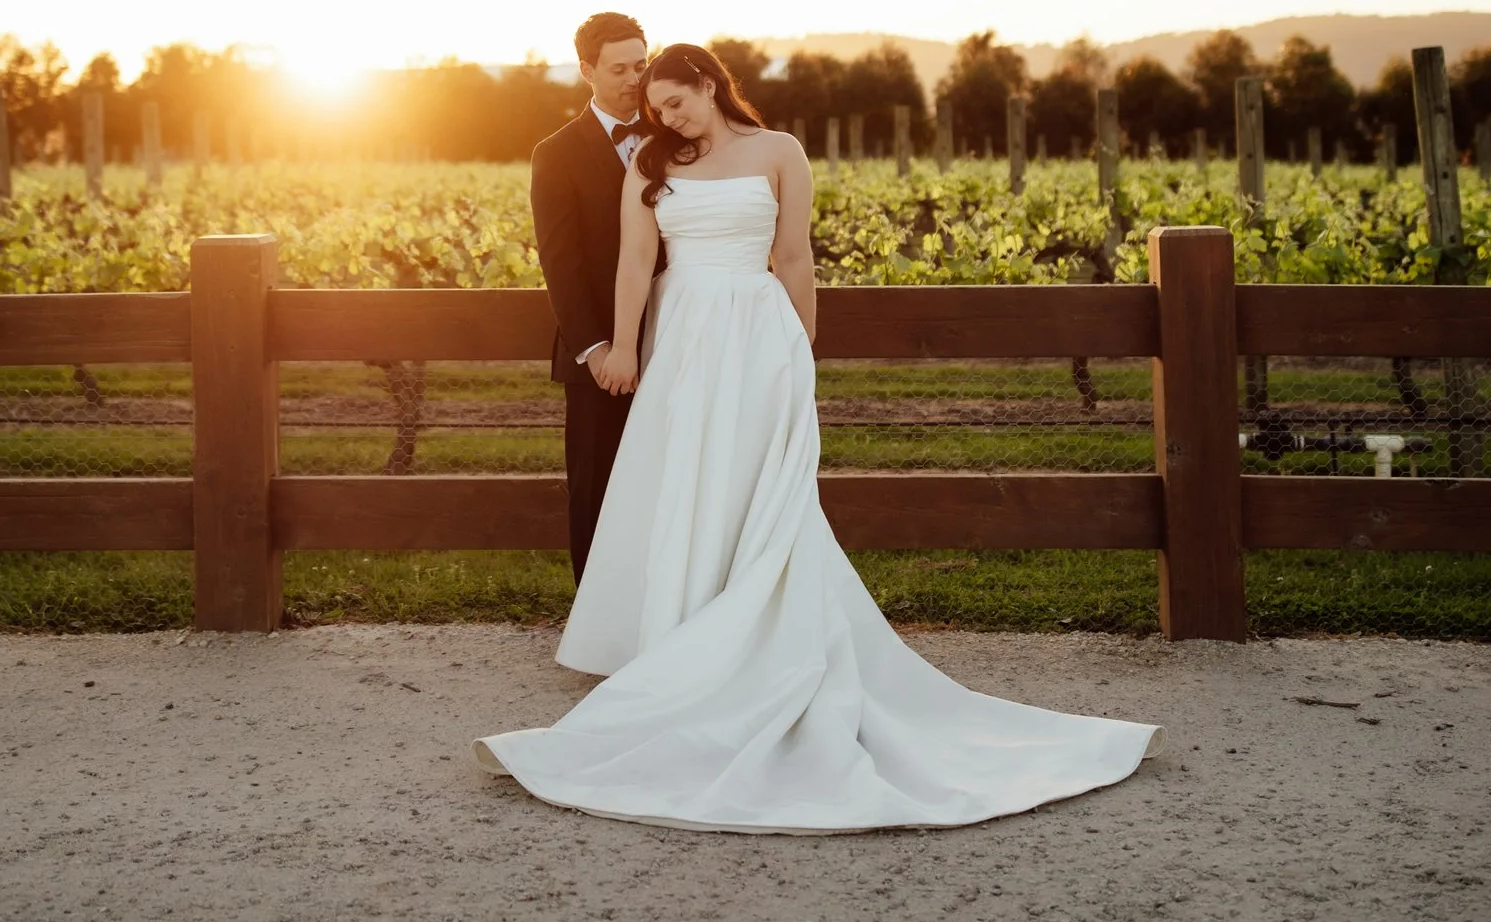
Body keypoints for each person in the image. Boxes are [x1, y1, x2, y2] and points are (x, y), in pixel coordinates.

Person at [481, 44, 1158, 833]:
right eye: (656, 108)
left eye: (675, 102)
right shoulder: (653, 164)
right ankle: (679, 641)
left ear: (708, 84)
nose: (662, 117)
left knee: (760, 485)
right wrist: (624, 344)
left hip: (759, 336)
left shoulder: (780, 152)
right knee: (686, 482)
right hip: (684, 338)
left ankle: (763, 642)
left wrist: (801, 351)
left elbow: (795, 256)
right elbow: (635, 262)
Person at [528, 12, 653, 581]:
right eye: (620, 68)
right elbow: (561, 264)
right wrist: (597, 350)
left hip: (678, 338)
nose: (635, 79)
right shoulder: (555, 153)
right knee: (596, 489)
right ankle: (594, 626)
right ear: (587, 71)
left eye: (641, 65)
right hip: (598, 358)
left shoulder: (680, 139)